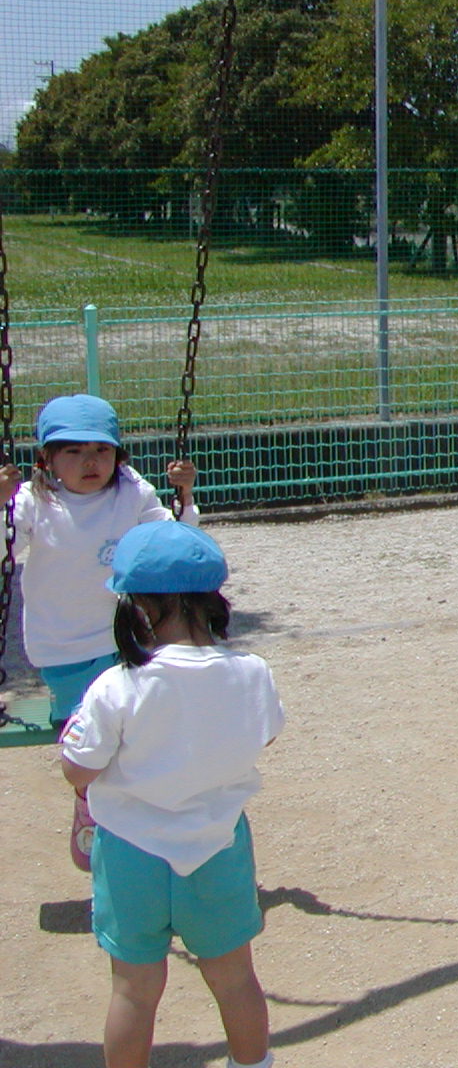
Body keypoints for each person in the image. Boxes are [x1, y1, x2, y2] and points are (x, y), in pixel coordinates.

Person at [60, 521, 283, 1068]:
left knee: (133, 990)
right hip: (217, 845)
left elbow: (77, 769)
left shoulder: (119, 684)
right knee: (235, 979)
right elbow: (265, 733)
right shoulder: (251, 672)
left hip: (131, 852)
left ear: (138, 608)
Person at [0, 393, 200, 871]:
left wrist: (186, 495)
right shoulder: (34, 501)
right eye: (73, 451)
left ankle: (140, 809)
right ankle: (89, 802)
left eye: (101, 450)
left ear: (117, 455)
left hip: (128, 638)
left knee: (140, 728)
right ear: (47, 459)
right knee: (87, 735)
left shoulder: (131, 491)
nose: (90, 462)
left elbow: (174, 542)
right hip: (64, 645)